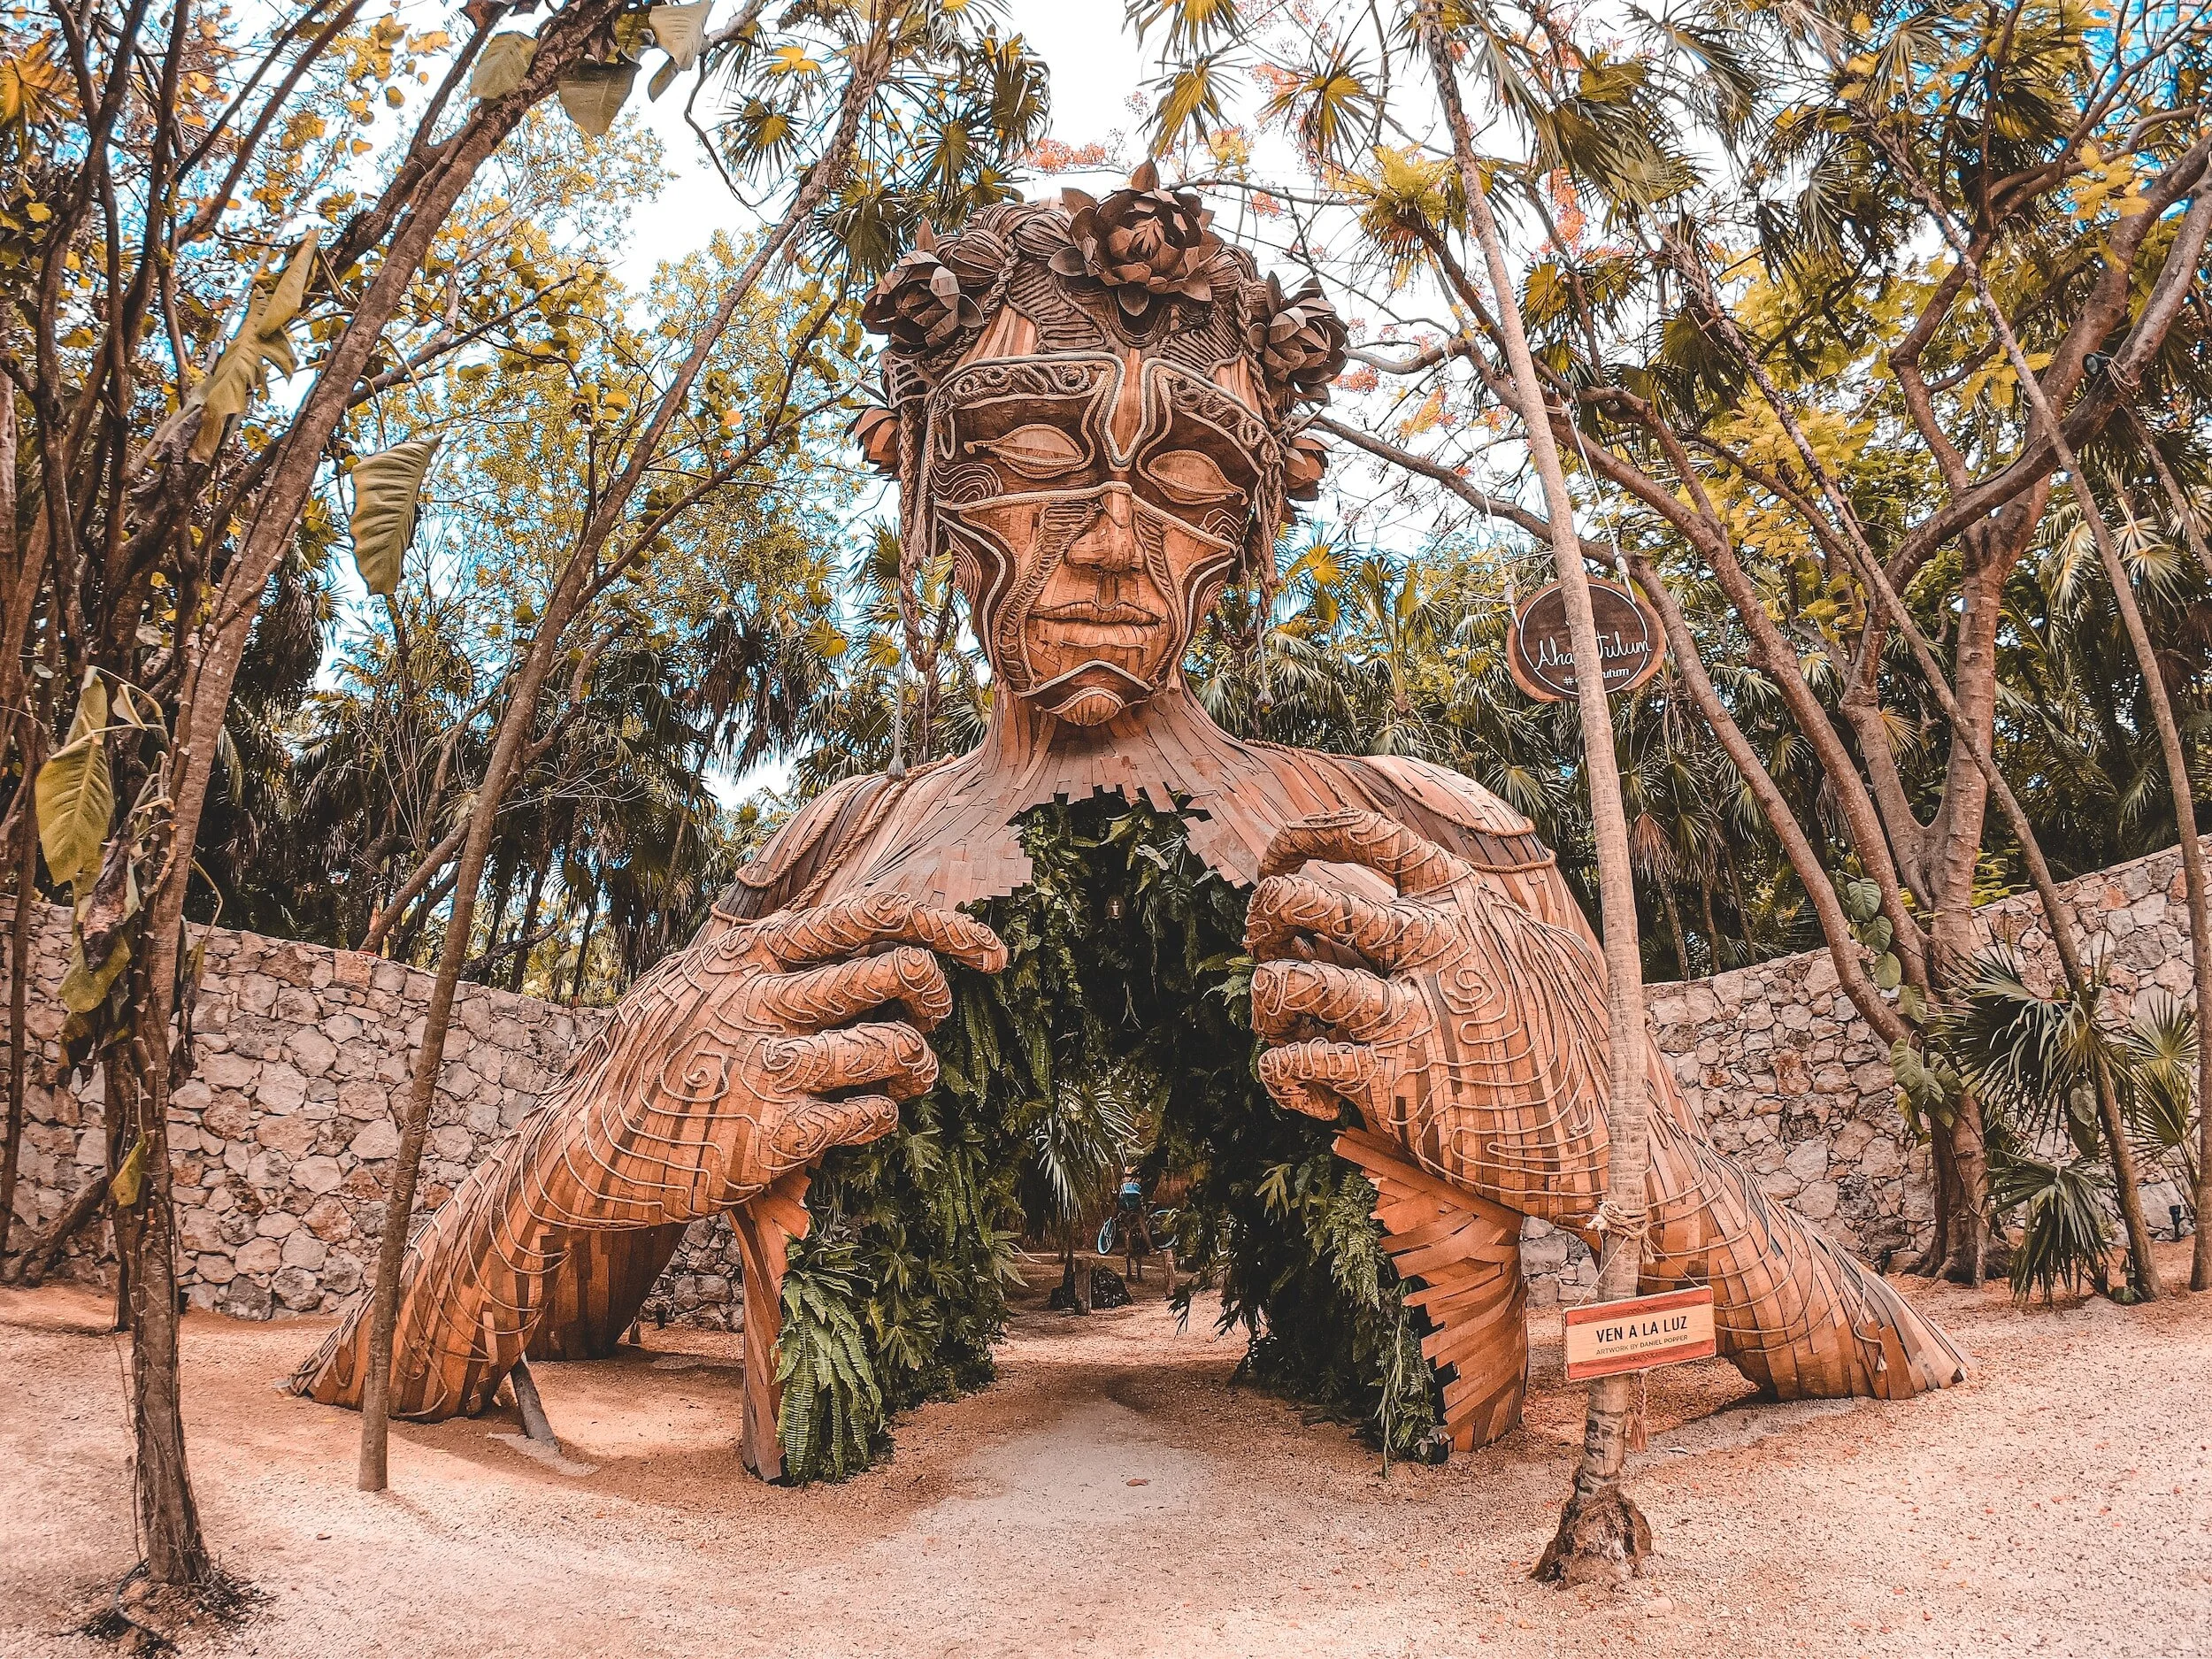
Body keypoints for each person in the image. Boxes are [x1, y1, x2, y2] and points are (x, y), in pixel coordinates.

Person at [294, 166, 1966, 1479]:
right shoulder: (826, 857)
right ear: (919, 475)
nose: (1107, 539)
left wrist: (1612, 1146)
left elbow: (1883, 1346)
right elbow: (397, 1360)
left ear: (1248, 531)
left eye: (1183, 480)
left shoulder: (1429, 845)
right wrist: (606, 1133)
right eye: (1033, 447)